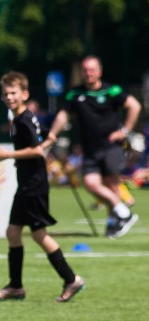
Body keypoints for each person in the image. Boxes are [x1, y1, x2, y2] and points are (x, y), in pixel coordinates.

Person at [0, 71, 85, 303]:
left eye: (14, 93)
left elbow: (36, 150)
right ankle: (16, 287)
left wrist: (7, 155)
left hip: (34, 185)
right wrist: (49, 139)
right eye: (6, 94)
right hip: (29, 184)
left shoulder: (23, 119)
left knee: (39, 234)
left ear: (24, 94)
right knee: (14, 233)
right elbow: (42, 141)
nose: (9, 97)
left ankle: (71, 279)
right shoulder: (22, 118)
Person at [43, 55, 141, 238]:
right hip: (90, 148)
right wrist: (53, 135)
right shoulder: (75, 94)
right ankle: (123, 212)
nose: (88, 73)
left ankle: (113, 223)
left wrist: (125, 131)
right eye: (85, 70)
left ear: (99, 71)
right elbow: (63, 116)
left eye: (92, 69)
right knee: (90, 183)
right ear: (82, 72)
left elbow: (134, 106)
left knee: (111, 184)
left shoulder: (111, 90)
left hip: (111, 146)